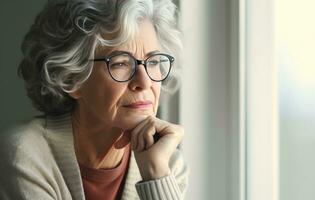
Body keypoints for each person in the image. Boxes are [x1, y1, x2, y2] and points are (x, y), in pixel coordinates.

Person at [0, 0, 189, 199]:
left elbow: (159, 169)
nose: (144, 81)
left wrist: (156, 175)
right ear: (71, 78)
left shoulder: (167, 164)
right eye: (120, 63)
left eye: (153, 62)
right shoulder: (25, 156)